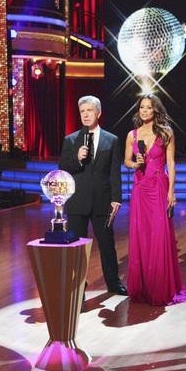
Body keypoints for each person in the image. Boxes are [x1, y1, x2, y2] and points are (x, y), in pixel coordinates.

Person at [124, 94, 186, 306]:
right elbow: (126, 160)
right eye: (142, 107)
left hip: (159, 186)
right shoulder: (132, 135)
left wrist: (172, 191)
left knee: (159, 235)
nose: (144, 111)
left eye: (148, 108)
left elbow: (171, 164)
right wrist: (135, 164)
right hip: (140, 188)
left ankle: (160, 286)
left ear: (155, 110)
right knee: (141, 235)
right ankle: (143, 286)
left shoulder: (166, 133)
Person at [59, 95, 127, 295]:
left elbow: (115, 171)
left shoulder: (111, 140)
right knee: (77, 247)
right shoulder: (71, 140)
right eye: (82, 111)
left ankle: (113, 283)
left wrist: (116, 198)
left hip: (103, 201)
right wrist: (77, 159)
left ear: (98, 113)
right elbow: (63, 168)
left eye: (89, 110)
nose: (86, 115)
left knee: (107, 244)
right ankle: (77, 286)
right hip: (77, 202)